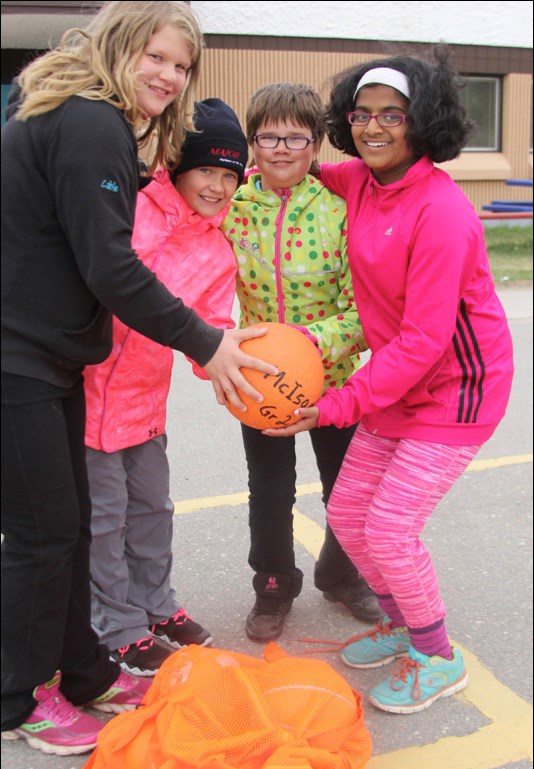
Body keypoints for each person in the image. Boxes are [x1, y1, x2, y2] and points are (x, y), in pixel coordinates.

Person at [1, 1, 277, 756]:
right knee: (42, 536)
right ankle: (19, 698)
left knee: (67, 529)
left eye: (181, 65)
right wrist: (207, 342)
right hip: (17, 355)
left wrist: (216, 350)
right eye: (155, 56)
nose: (167, 74)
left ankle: (86, 672)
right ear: (119, 45)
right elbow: (112, 265)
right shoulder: (92, 122)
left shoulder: (89, 121)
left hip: (51, 355)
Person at [264, 50, 514, 713]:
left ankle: (437, 656)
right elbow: (305, 165)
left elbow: (426, 343)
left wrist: (335, 405)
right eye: (362, 114)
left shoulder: (443, 212)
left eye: (392, 116)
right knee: (349, 516)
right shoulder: (363, 182)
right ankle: (404, 627)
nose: (373, 128)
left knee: (391, 528)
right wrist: (256, 152)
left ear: (420, 120)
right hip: (403, 383)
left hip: (458, 390)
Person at [85, 97, 248, 677]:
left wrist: (241, 370)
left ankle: (155, 606)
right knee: (103, 523)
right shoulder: (128, 208)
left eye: (230, 175)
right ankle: (117, 626)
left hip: (144, 407)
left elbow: (210, 336)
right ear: (177, 165)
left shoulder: (215, 250)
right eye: (208, 169)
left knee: (153, 510)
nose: (218, 186)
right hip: (83, 402)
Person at [222, 82, 381, 643]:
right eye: (270, 136)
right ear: (253, 142)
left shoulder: (339, 212)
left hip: (332, 381)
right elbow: (201, 284)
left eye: (297, 137)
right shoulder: (233, 210)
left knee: (345, 487)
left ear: (316, 145)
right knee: (268, 489)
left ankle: (340, 574)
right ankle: (272, 584)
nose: (283, 149)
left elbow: (363, 309)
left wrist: (306, 344)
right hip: (259, 384)